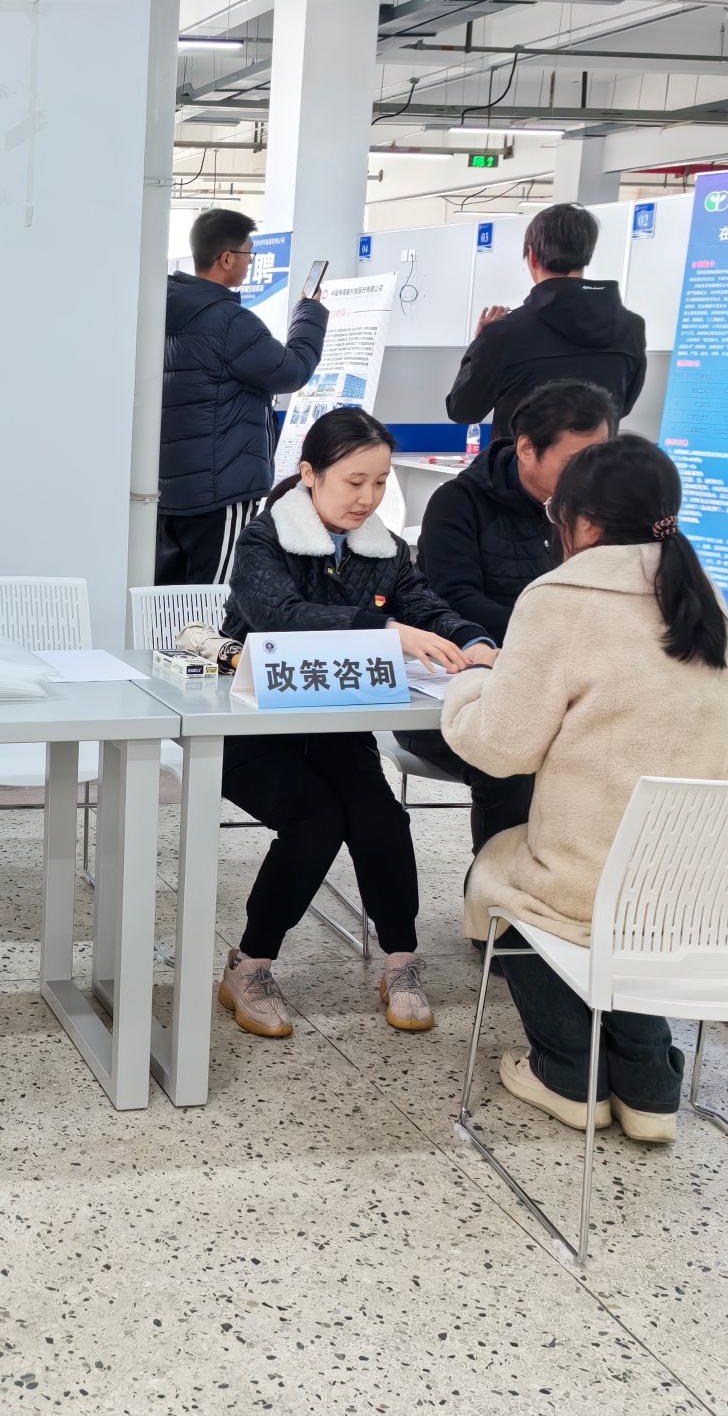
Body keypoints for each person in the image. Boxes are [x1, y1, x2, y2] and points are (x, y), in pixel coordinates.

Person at [442, 434, 728, 1143]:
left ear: (578, 522)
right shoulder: (702, 592)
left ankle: (569, 1071)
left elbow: (503, 749)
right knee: (631, 901)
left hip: (591, 879)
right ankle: (648, 1078)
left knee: (501, 872)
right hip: (696, 873)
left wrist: (472, 686)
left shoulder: (563, 596)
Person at [215, 408, 495, 1040]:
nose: (368, 498)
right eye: (354, 481)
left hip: (337, 726)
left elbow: (425, 604)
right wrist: (386, 630)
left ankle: (401, 962)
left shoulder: (383, 548)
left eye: (380, 482)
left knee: (381, 818)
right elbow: (280, 616)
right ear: (310, 474)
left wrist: (472, 640)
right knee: (315, 821)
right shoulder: (264, 540)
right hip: (250, 729)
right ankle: (249, 966)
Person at [395, 378, 617, 852]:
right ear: (527, 449)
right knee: (513, 762)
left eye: (598, 460)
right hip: (464, 694)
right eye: (575, 462)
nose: (589, 476)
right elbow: (452, 601)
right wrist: (555, 636)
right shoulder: (457, 503)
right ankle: (497, 894)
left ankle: (587, 884)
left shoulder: (598, 512)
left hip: (570, 690)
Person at [159, 208, 329, 586]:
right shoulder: (229, 321)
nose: (250, 264)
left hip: (173, 489)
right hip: (220, 488)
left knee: (170, 599)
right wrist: (310, 311)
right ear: (227, 259)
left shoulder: (167, 309)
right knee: (216, 598)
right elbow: (291, 370)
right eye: (249, 255)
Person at [447, 203, 646, 438]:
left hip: (522, 461)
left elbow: (463, 410)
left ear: (532, 257)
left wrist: (479, 347)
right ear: (586, 255)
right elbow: (621, 407)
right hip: (595, 460)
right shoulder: (631, 328)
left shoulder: (505, 333)